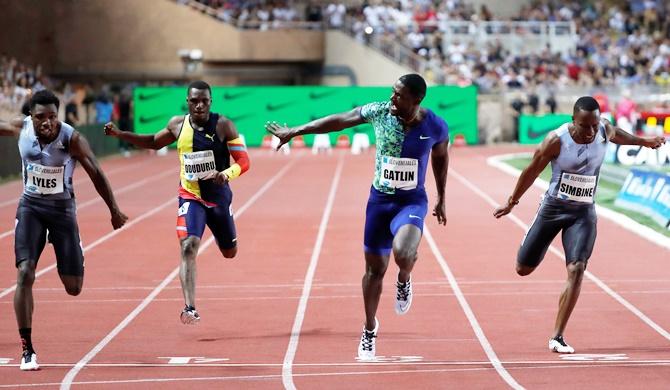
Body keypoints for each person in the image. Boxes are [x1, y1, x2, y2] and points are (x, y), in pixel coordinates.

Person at [266, 74, 449, 360]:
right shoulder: (378, 112)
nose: (392, 98)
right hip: (379, 202)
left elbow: (440, 157)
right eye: (392, 92)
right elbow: (340, 120)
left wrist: (442, 197)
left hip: (411, 201)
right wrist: (296, 131)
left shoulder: (435, 125)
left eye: (399, 95)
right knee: (374, 272)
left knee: (403, 253)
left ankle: (404, 278)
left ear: (417, 100)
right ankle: (369, 328)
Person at [493, 96, 665, 354]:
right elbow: (531, 170)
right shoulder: (556, 140)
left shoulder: (603, 130)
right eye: (585, 126)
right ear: (573, 121)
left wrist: (645, 142)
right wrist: (512, 202)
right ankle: (530, 240)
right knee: (523, 268)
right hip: (552, 209)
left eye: (594, 125)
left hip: (583, 213)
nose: (591, 132)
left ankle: (557, 336)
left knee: (577, 268)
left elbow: (617, 134)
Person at [0, 89, 128, 371]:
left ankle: (71, 249)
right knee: (25, 273)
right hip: (31, 207)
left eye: (53, 117)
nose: (48, 123)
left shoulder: (71, 138)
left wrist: (114, 210)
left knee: (74, 288)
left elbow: (96, 172)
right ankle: (27, 349)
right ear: (30, 117)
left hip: (62, 211)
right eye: (40, 117)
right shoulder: (19, 130)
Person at [103, 80, 250, 325]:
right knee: (188, 246)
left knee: (229, 252)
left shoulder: (224, 125)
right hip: (190, 196)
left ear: (211, 101)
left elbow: (244, 161)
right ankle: (190, 307)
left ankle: (223, 235)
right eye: (195, 101)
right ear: (187, 101)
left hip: (219, 199)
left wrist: (226, 174)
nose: (200, 106)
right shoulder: (177, 125)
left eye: (204, 101)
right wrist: (121, 134)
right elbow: (152, 141)